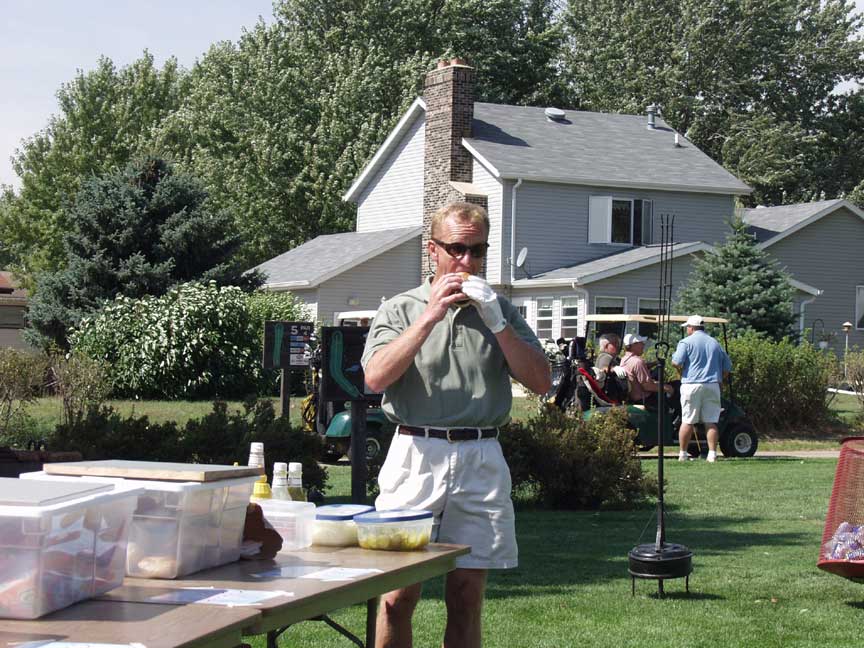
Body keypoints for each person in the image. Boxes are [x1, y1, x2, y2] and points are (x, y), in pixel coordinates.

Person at [362, 201, 551, 648]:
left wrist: (497, 323)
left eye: (478, 251)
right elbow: (375, 378)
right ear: (433, 250)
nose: (467, 261)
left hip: (479, 456)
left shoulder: (498, 310)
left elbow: (541, 382)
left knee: (466, 598)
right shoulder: (401, 308)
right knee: (396, 597)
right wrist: (430, 315)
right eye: (457, 249)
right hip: (416, 453)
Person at [671, 314, 732, 463]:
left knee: (687, 420)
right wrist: (720, 379)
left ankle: (683, 454)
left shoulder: (686, 342)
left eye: (688, 327)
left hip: (691, 384)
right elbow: (727, 367)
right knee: (711, 421)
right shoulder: (714, 343)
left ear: (691, 328)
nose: (687, 330)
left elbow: (676, 362)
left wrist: (680, 370)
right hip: (712, 384)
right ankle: (712, 454)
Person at [619, 333, 673, 407]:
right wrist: (668, 388)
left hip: (634, 397)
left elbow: (636, 371)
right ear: (634, 345)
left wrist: (654, 363)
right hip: (646, 400)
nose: (643, 345)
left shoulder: (624, 359)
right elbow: (648, 386)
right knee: (675, 389)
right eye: (641, 343)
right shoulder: (637, 362)